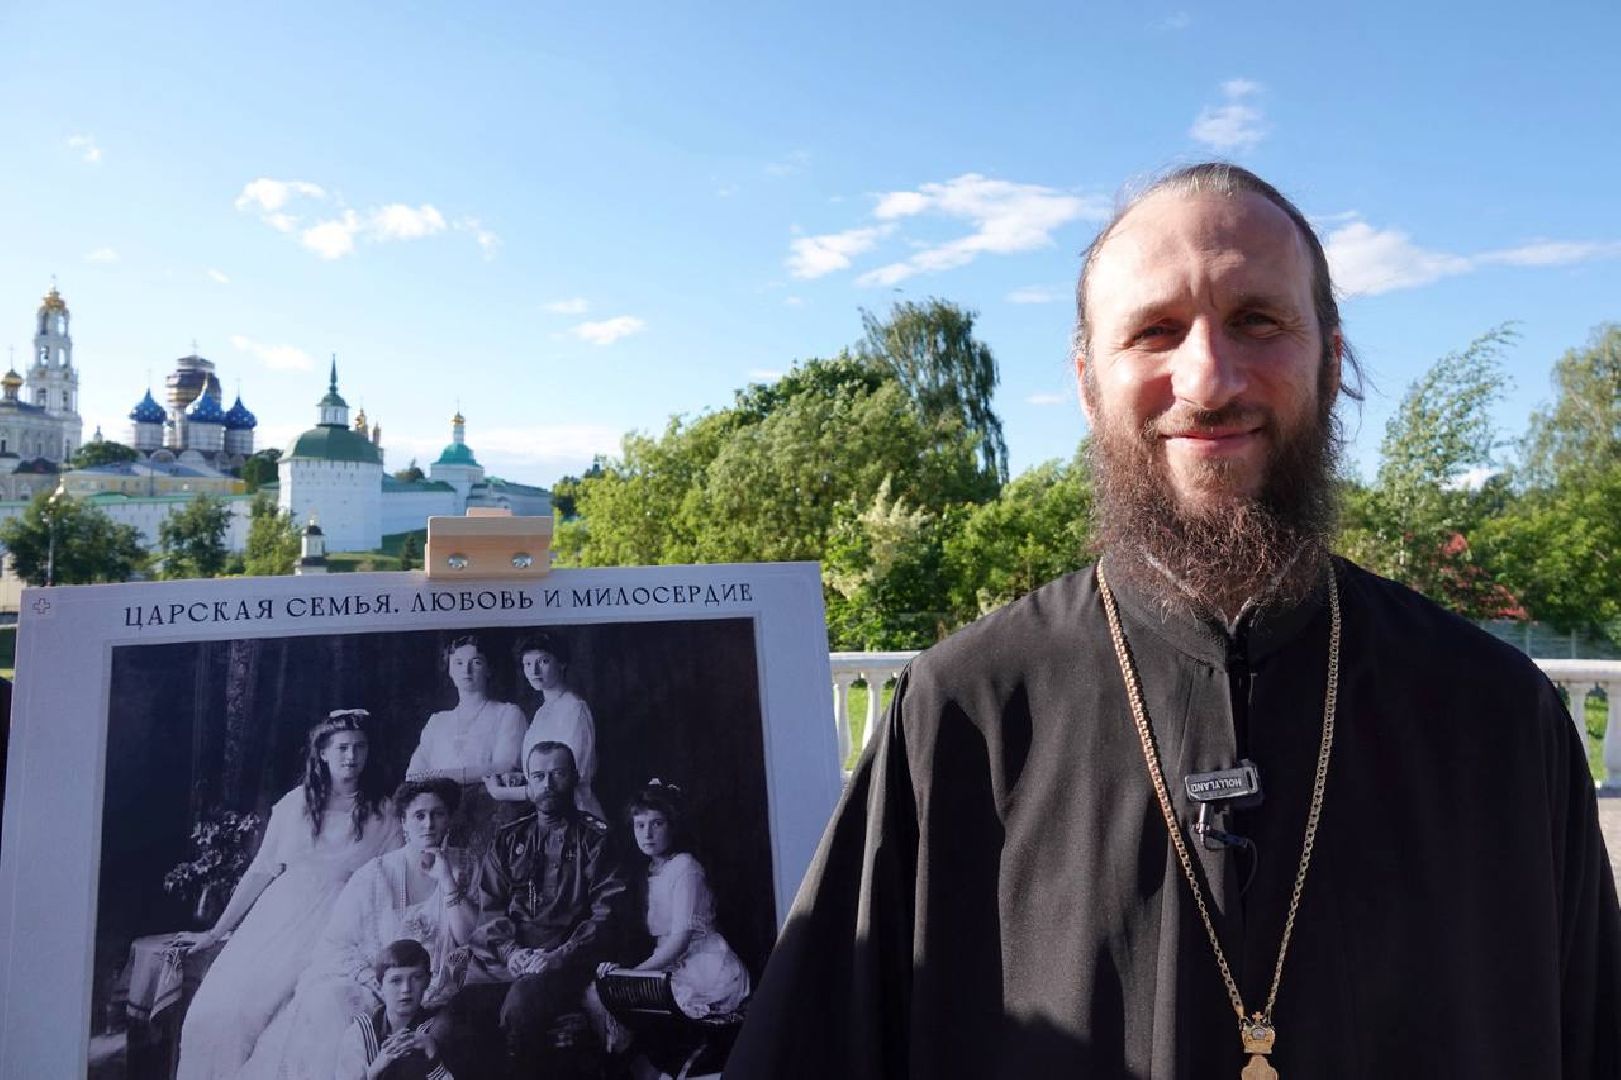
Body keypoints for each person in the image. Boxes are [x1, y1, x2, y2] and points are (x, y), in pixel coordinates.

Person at [728, 163, 1621, 1079]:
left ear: (1330, 361)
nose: (1208, 379)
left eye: (1258, 321)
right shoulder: (959, 714)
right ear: (1088, 383)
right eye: (1154, 330)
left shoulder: (1496, 716)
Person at [173, 709, 401, 1080]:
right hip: (280, 918)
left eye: (360, 747)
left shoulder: (383, 812)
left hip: (342, 921)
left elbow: (393, 878)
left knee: (296, 1023)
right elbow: (260, 871)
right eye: (342, 747)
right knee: (221, 1013)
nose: (351, 756)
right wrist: (216, 932)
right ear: (323, 753)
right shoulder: (294, 805)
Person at [238, 778, 475, 1079]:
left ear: (448, 819)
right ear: (404, 822)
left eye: (437, 814)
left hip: (437, 986)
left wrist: (447, 880)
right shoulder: (375, 874)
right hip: (377, 984)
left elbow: (468, 937)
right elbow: (336, 944)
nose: (428, 824)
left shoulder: (465, 865)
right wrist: (380, 985)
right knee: (332, 1003)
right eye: (419, 815)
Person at [431, 741, 627, 1076]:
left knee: (520, 1009)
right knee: (448, 1026)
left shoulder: (597, 839)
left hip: (568, 962)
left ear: (574, 776)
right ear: (528, 781)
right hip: (509, 963)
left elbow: (607, 916)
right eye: (538, 776)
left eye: (557, 774)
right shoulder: (508, 839)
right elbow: (490, 910)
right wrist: (511, 952)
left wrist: (558, 956)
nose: (547, 784)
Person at [486, 632, 604, 820]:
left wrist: (501, 792)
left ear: (562, 663)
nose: (534, 671)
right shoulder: (542, 712)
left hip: (574, 813)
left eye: (543, 661)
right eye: (527, 664)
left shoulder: (574, 709)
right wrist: (522, 777)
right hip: (545, 813)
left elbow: (565, 781)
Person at [406, 635, 526, 783]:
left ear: (489, 669)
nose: (466, 670)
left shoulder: (508, 714)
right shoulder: (437, 722)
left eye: (476, 662)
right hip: (438, 797)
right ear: (449, 670)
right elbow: (413, 775)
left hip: (488, 796)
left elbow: (505, 767)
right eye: (459, 663)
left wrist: (438, 775)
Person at [332, 939, 453, 1080]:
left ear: (427, 981)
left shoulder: (440, 1028)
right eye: (396, 980)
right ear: (380, 984)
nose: (406, 989)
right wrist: (375, 1069)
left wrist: (432, 1055)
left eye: (416, 978)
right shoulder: (361, 1033)